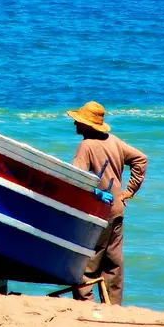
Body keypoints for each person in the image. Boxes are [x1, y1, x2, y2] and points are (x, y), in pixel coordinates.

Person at [67, 101, 147, 305]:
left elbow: (76, 179)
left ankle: (85, 303)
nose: (75, 124)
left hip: (97, 211)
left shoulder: (86, 146)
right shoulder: (114, 141)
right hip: (116, 209)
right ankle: (113, 305)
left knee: (86, 261)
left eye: (78, 121)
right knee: (113, 261)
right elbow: (141, 159)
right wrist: (128, 191)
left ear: (88, 125)